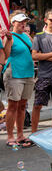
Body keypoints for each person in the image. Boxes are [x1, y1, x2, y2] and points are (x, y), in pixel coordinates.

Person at [1, 12, 35, 147]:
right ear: (13, 22)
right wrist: (8, 40)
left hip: (28, 74)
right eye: (20, 21)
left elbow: (34, 52)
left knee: (22, 106)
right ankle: (10, 136)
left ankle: (20, 135)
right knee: (13, 106)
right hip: (14, 74)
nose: (23, 24)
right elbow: (6, 55)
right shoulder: (10, 37)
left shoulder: (26, 36)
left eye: (24, 22)